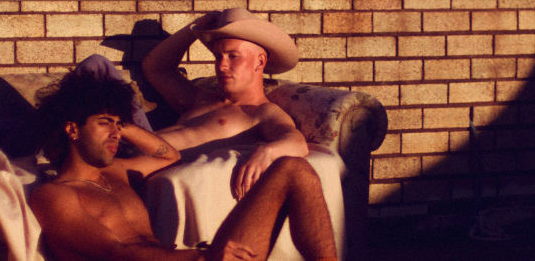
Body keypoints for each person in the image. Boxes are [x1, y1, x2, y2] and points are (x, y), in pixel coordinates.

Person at [28, 56, 337, 261]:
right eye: (103, 123)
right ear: (72, 129)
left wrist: (126, 125)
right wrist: (199, 257)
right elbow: (116, 252)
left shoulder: (119, 171)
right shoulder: (54, 194)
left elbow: (168, 155)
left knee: (293, 168)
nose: (116, 134)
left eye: (118, 124)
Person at [141, 8, 308, 198]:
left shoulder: (261, 113)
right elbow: (155, 68)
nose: (221, 66)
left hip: (144, 175)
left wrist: (267, 152)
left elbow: (297, 142)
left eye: (233, 56)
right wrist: (195, 27)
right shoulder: (200, 99)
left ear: (260, 62)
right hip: (127, 152)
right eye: (218, 56)